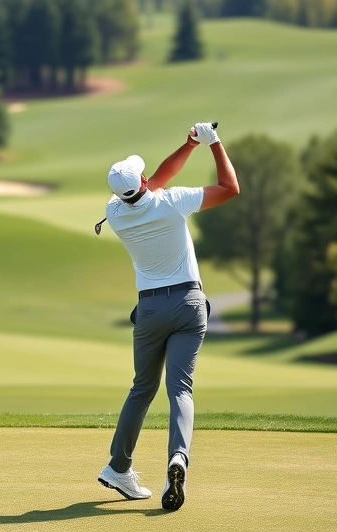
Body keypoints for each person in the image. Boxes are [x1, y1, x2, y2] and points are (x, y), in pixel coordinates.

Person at [97, 122, 240, 511]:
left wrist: (188, 145)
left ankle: (118, 467)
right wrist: (213, 144)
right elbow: (229, 188)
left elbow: (158, 177)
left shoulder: (115, 211)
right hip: (189, 305)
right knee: (180, 389)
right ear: (142, 180)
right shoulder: (171, 201)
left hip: (149, 309)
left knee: (142, 387)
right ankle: (178, 457)